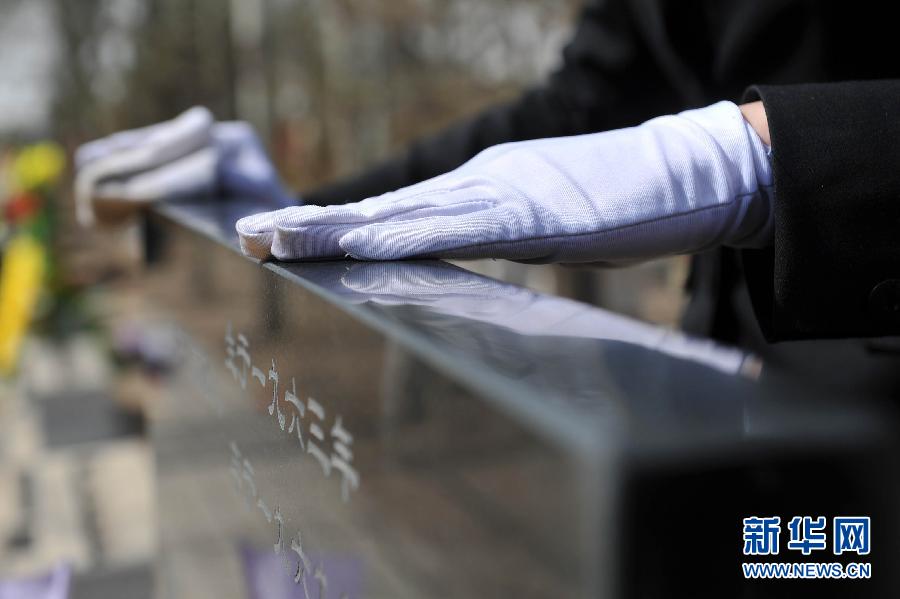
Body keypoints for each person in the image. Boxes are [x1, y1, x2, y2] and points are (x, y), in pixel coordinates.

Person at [74, 1, 900, 390]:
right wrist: (308, 207)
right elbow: (586, 102)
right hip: (722, 374)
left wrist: (775, 155)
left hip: (869, 378)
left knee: (820, 563)